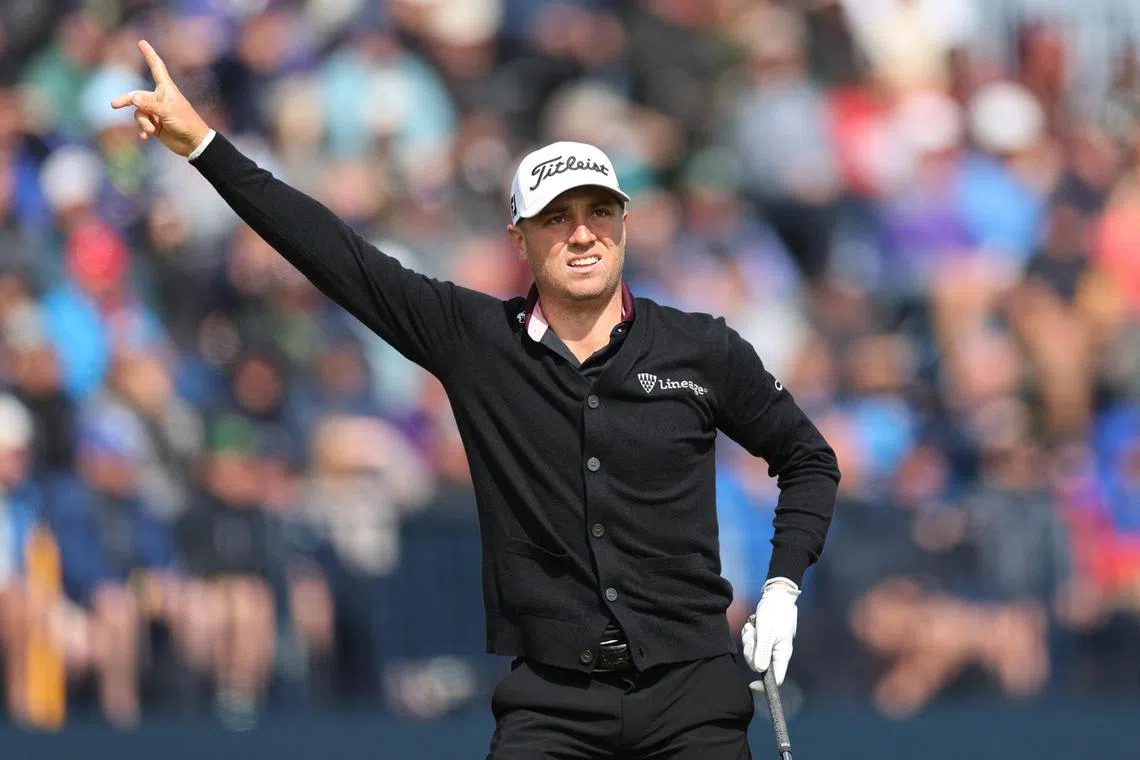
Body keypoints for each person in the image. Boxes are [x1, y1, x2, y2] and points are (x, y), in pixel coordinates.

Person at [114, 40, 840, 758]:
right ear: (519, 240)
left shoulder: (700, 347)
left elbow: (807, 458)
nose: (582, 234)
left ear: (624, 224)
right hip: (553, 702)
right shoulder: (478, 341)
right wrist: (203, 146)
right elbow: (335, 255)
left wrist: (782, 587)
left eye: (599, 212)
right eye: (556, 218)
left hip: (693, 697)